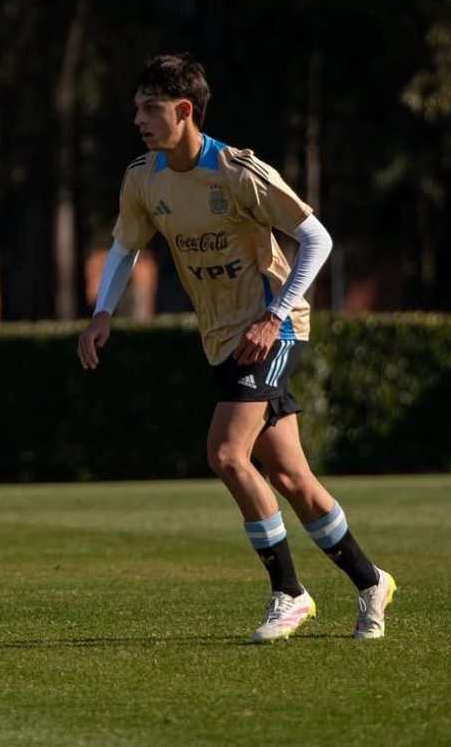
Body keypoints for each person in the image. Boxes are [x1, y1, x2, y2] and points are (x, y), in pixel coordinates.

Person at [77, 53, 396, 642]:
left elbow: (316, 239)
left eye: (150, 109)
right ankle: (370, 580)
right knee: (291, 477)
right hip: (223, 336)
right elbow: (125, 248)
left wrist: (274, 317)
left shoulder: (237, 172)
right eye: (136, 108)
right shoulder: (143, 178)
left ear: (184, 111)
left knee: (225, 454)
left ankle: (290, 593)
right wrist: (102, 314)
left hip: (275, 326)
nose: (139, 120)